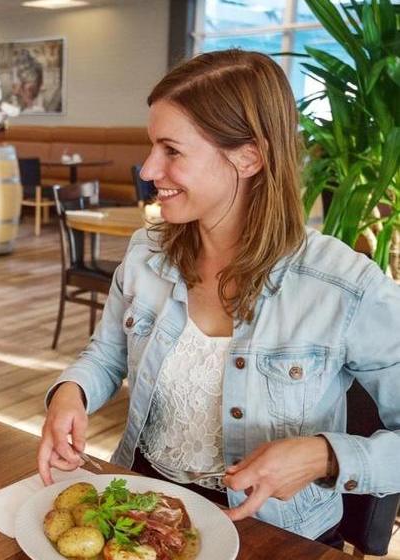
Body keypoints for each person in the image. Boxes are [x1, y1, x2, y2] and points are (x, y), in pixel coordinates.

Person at [37, 49, 399, 545]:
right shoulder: (147, 252)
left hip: (274, 536)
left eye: (171, 150)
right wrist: (68, 395)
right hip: (142, 512)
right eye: (151, 147)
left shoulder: (344, 285)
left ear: (249, 156)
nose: (147, 168)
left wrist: (325, 455)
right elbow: (105, 356)